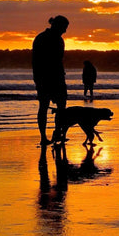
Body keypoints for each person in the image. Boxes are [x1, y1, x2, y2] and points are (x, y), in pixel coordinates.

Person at [32, 15, 69, 145]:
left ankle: (56, 132)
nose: (65, 31)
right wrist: (37, 79)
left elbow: (59, 60)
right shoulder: (42, 39)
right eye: (64, 27)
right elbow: (36, 61)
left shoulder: (58, 40)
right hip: (46, 78)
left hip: (56, 77)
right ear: (57, 25)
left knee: (59, 106)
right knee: (45, 107)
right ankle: (45, 136)